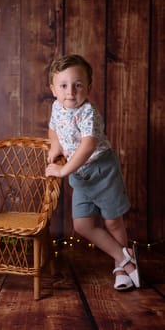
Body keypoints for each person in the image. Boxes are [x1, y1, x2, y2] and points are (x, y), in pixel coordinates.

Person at [45, 54, 140, 291]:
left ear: (89, 87)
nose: (71, 92)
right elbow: (53, 129)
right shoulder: (56, 107)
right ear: (53, 89)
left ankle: (121, 267)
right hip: (80, 176)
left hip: (102, 170)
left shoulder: (88, 113)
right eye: (64, 86)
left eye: (78, 85)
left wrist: (64, 169)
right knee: (82, 224)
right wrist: (55, 145)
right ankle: (125, 257)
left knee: (112, 220)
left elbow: (87, 146)